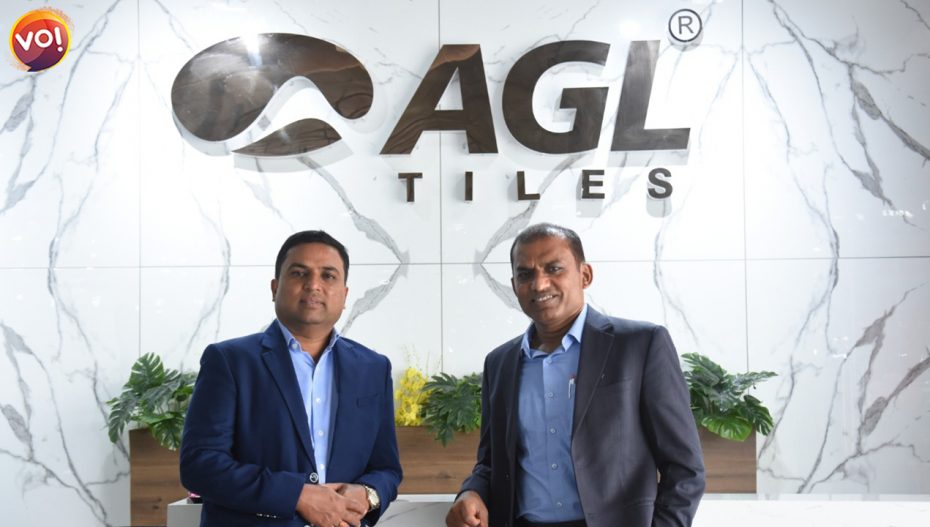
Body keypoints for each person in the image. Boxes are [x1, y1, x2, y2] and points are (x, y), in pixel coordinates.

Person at [446, 223, 705, 527]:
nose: (539, 284)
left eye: (553, 269)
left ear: (585, 275)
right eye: (525, 275)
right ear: (514, 285)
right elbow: (490, 463)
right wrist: (471, 492)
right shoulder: (500, 363)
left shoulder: (640, 345)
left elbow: (685, 468)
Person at [180, 230, 402, 527]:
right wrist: (296, 495)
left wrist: (368, 494)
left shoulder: (373, 368)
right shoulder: (230, 361)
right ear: (275, 288)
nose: (313, 285)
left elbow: (387, 469)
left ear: (345, 295)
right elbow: (200, 465)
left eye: (328, 276)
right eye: (299, 273)